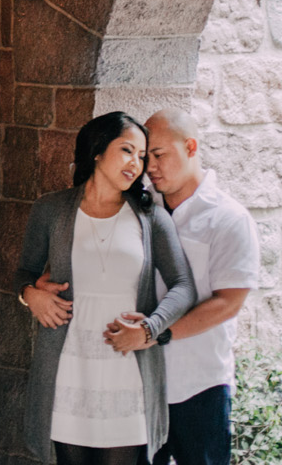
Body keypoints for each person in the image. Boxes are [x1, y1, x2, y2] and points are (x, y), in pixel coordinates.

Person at [15, 112, 197, 465]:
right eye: (127, 150)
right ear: (98, 151)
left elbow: (183, 285)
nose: (136, 163)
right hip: (69, 368)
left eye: (142, 156)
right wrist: (30, 295)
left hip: (127, 369)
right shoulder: (51, 210)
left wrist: (149, 328)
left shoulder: (150, 218)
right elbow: (24, 271)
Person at [108, 108, 260, 465]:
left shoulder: (229, 218)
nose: (151, 168)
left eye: (159, 155)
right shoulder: (137, 208)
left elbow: (228, 303)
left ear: (190, 146)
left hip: (199, 381)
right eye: (146, 158)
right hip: (138, 377)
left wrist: (154, 333)